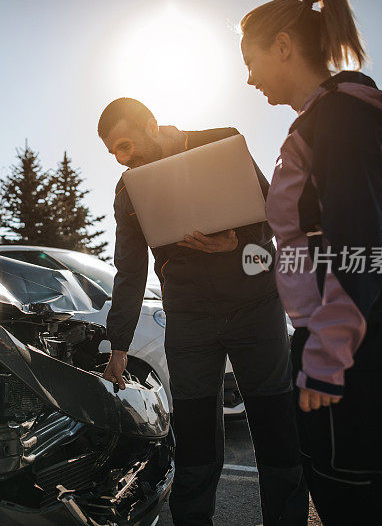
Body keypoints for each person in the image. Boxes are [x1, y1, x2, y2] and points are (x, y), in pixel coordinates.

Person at [239, 0, 382, 523]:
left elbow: (362, 239)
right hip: (364, 330)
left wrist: (327, 358)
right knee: (367, 494)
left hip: (359, 339)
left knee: (354, 499)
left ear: (282, 47)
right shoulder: (332, 114)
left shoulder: (338, 116)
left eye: (251, 62)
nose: (249, 80)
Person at [98, 98, 307, 525]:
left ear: (151, 125)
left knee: (276, 433)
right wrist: (118, 344)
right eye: (115, 153)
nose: (124, 158)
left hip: (254, 308)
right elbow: (130, 270)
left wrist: (238, 239)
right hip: (189, 318)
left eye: (125, 144)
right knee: (194, 443)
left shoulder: (221, 144)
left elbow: (274, 214)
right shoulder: (129, 192)